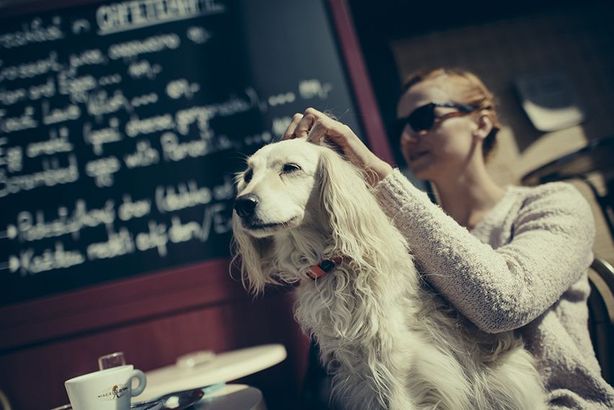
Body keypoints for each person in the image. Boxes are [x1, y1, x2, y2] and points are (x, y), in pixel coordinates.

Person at [285, 68, 614, 409]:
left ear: (482, 122)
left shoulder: (553, 203)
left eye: (425, 117)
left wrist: (375, 172)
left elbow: (503, 306)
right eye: (401, 127)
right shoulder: (398, 235)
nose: (410, 135)